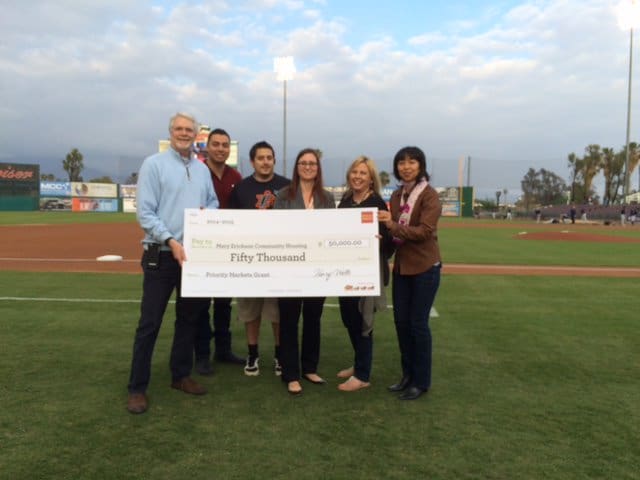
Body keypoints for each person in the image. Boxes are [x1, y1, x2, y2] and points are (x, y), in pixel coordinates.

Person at [126, 112, 219, 414]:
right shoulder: (154, 165)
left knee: (188, 320)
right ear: (170, 132)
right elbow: (146, 213)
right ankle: (137, 387)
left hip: (193, 256)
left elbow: (213, 203)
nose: (183, 133)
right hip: (162, 255)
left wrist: (208, 213)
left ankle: (180, 375)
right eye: (178, 129)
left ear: (195, 134)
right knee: (149, 323)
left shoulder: (202, 169)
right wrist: (170, 240)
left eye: (188, 129)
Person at [378, 146, 442, 401]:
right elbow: (391, 235)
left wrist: (393, 226)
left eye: (412, 162)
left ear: (420, 166)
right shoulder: (395, 197)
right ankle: (407, 375)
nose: (406, 166)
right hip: (403, 268)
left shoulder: (429, 196)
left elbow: (425, 231)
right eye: (401, 163)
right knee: (401, 325)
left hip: (425, 267)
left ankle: (421, 381)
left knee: (418, 325)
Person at [274, 148, 335, 395]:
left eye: (312, 163)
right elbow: (277, 229)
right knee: (288, 320)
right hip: (290, 268)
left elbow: (334, 231)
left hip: (317, 269)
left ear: (318, 168)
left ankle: (309, 367)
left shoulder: (327, 198)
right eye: (303, 163)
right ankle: (290, 374)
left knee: (313, 319)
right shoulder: (283, 195)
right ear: (297, 167)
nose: (308, 166)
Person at [229, 141, 290, 377]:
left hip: (279, 260)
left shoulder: (286, 186)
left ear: (274, 160)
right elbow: (231, 224)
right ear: (253, 161)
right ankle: (252, 354)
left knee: (277, 312)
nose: (265, 162)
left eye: (269, 157)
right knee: (250, 311)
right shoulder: (241, 188)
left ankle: (279, 355)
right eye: (261, 158)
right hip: (249, 261)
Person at [336, 156, 394, 392]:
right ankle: (359, 361)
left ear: (371, 179)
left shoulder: (377, 203)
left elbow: (390, 241)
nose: (358, 176)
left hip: (367, 272)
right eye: (354, 172)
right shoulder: (347, 200)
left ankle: (362, 374)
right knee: (349, 317)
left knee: (363, 320)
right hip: (345, 270)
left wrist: (380, 242)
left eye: (363, 173)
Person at [194, 128, 244, 375]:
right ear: (208, 147)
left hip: (227, 248)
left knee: (224, 303)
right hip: (203, 248)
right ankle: (202, 354)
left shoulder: (236, 176)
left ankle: (223, 350)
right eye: (216, 144)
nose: (221, 149)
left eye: (225, 145)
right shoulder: (196, 171)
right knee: (202, 304)